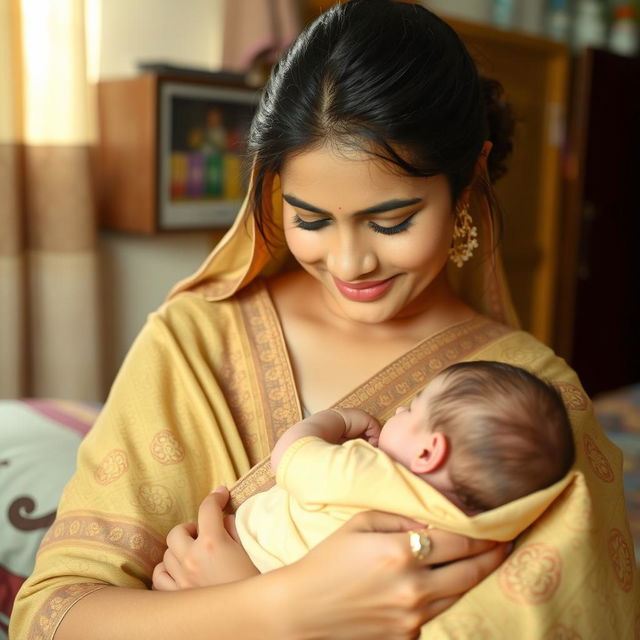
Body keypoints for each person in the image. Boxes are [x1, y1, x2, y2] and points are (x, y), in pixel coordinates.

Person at [10, 1, 637, 638]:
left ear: (467, 181)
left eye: (391, 222)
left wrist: (242, 600)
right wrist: (279, 609)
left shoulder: (537, 399)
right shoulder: (196, 340)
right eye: (309, 220)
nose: (349, 263)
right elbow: (53, 618)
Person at [152, 360, 577, 584]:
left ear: (429, 451)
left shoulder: (372, 471)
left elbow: (292, 457)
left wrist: (336, 421)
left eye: (415, 408)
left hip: (242, 556)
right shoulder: (464, 533)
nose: (399, 408)